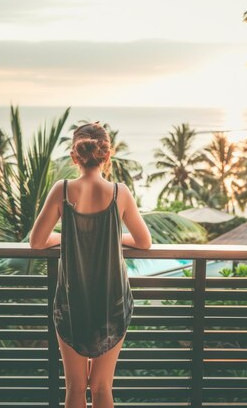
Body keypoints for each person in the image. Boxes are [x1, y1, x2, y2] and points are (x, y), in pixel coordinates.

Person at [29, 121, 152, 408]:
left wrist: (71, 235)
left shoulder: (62, 190)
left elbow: (37, 242)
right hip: (112, 302)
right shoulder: (119, 193)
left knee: (74, 388)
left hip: (72, 302)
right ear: (108, 156)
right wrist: (109, 236)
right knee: (101, 387)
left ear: (75, 156)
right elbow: (144, 242)